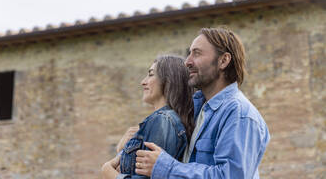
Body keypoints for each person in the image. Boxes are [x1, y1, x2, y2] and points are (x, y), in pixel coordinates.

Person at [134, 27, 270, 179]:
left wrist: (166, 168)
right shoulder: (196, 110)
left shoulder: (239, 114)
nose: (187, 62)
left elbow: (230, 176)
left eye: (197, 53)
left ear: (223, 60)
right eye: (189, 53)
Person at [101, 55, 195, 179]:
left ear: (168, 80)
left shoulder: (163, 121)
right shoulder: (161, 120)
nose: (143, 82)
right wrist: (121, 150)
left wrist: (108, 172)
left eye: (151, 74)